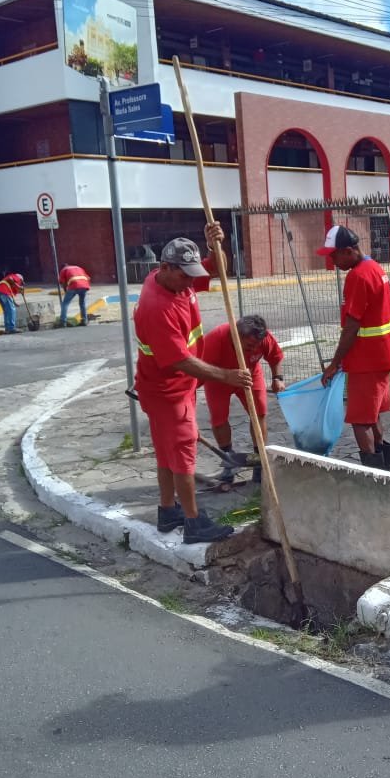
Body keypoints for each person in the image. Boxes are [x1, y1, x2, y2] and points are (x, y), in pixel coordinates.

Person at [134, 224, 252, 544]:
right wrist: (226, 375)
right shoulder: (157, 307)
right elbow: (178, 360)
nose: (191, 281)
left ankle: (167, 510)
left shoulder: (177, 281)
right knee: (183, 453)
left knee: (166, 454)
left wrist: (215, 246)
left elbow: (218, 270)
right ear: (165, 267)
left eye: (192, 274)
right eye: (185, 275)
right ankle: (193, 521)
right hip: (168, 391)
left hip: (167, 387)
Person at [317, 225, 390, 470]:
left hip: (368, 360)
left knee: (360, 420)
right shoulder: (374, 268)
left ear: (348, 251)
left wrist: (334, 364)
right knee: (372, 414)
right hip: (383, 355)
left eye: (334, 255)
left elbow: (352, 326)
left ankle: (375, 479)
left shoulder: (357, 276)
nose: (332, 261)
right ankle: (385, 472)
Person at [202, 314, 285, 485]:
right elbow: (202, 370)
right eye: (249, 346)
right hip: (218, 378)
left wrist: (278, 378)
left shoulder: (264, 339)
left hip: (249, 375)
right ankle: (228, 460)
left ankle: (258, 460)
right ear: (237, 335)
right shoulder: (215, 340)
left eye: (256, 345)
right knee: (219, 419)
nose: (254, 348)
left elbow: (275, 356)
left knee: (259, 412)